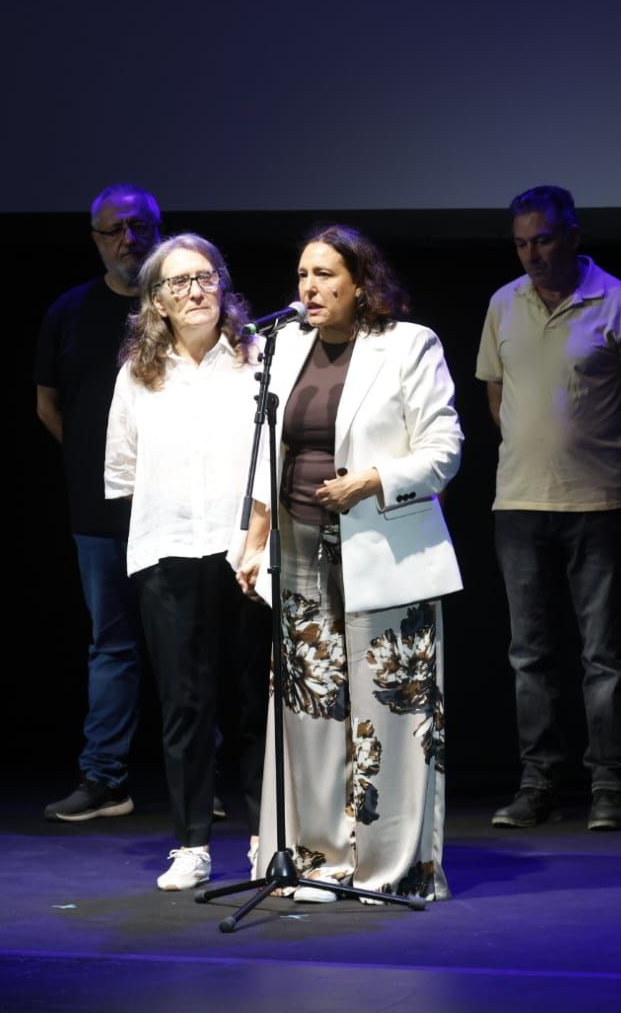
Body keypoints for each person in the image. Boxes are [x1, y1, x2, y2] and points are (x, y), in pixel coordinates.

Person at [251, 225, 463, 903]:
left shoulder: (407, 345)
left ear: (361, 283)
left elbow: (445, 448)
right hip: (299, 550)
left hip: (384, 551)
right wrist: (253, 540)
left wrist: (373, 478)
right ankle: (320, 859)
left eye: (323, 274)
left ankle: (390, 868)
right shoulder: (281, 349)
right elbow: (259, 449)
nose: (307, 287)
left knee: (391, 718)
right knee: (311, 714)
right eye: (302, 275)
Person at [477, 185, 621, 831]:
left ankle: (607, 784)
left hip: (601, 503)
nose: (532, 254)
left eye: (544, 239)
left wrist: (600, 457)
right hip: (519, 504)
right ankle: (539, 783)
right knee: (529, 654)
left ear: (573, 235)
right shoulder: (503, 304)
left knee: (603, 656)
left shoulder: (620, 303)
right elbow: (495, 397)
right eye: (522, 243)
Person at [102, 234, 271, 890]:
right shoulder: (138, 375)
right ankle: (192, 843)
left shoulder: (257, 358)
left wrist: (257, 540)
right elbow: (120, 473)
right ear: (157, 303)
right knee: (184, 705)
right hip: (167, 553)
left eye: (204, 277)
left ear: (222, 285)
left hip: (244, 554)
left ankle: (265, 837)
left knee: (254, 702)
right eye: (178, 283)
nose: (194, 290)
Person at [34, 184, 161, 822]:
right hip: (97, 513)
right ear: (95, 239)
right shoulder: (70, 311)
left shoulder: (183, 307)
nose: (126, 241)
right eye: (113, 230)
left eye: (138, 227)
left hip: (174, 513)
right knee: (111, 645)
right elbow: (48, 405)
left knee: (189, 646)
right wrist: (99, 467)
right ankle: (106, 777)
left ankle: (209, 777)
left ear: (158, 230)